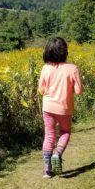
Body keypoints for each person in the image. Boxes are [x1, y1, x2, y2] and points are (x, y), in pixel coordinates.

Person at [38, 37, 83, 178]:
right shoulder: (72, 68)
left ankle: (47, 170)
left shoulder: (45, 68)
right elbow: (79, 91)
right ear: (65, 51)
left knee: (49, 135)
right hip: (64, 108)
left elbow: (41, 89)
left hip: (48, 107)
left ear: (48, 51)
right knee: (65, 132)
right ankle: (57, 154)